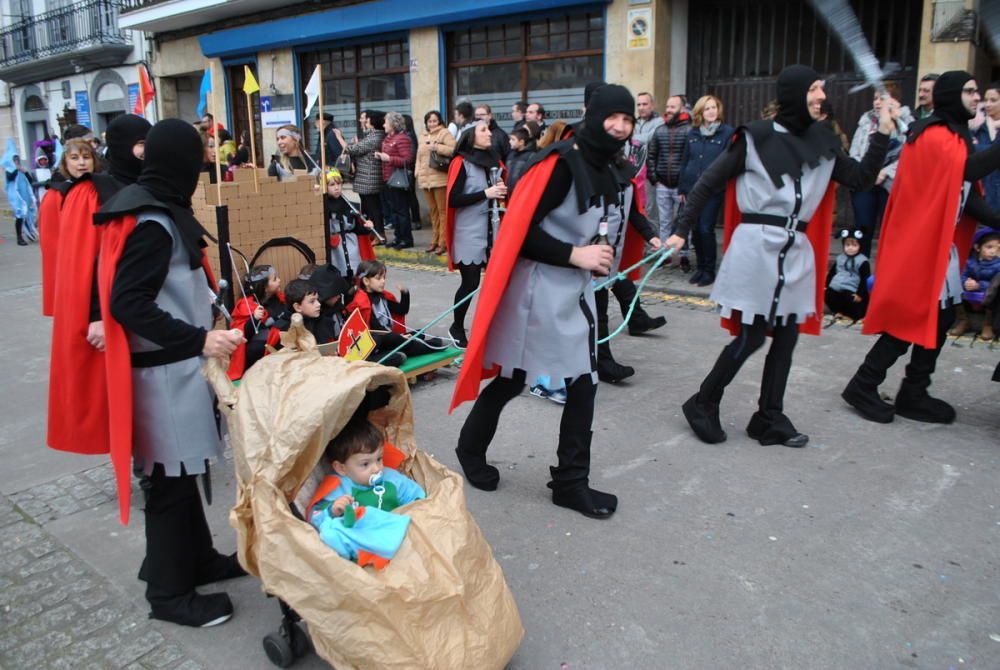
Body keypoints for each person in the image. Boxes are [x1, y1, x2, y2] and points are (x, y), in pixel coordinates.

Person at [673, 64, 897, 448]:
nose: (822, 96)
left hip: (796, 250)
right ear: (794, 92)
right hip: (756, 247)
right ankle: (703, 402)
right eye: (814, 88)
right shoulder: (754, 138)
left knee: (788, 336)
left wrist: (883, 137)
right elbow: (707, 183)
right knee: (752, 336)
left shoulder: (824, 141)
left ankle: (769, 417)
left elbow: (860, 179)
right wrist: (679, 231)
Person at [449, 85, 642, 520]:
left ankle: (568, 481)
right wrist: (578, 254)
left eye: (627, 120)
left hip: (570, 289)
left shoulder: (602, 164)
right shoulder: (559, 164)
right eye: (613, 117)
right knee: (517, 379)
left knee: (580, 382)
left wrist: (596, 251)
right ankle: (477, 451)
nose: (620, 126)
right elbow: (522, 234)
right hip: (537, 290)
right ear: (590, 114)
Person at [96, 118, 247, 627]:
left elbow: (173, 284)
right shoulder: (153, 223)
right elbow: (129, 303)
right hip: (160, 379)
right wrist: (198, 338)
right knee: (167, 486)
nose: (204, 164)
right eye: (199, 155)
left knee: (186, 477)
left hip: (177, 372)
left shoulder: (160, 211)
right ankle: (167, 594)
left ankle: (198, 559)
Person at [843, 71, 1000, 424]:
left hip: (936, 242)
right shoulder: (935, 134)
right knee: (911, 315)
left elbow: (962, 193)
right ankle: (863, 384)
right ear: (951, 95)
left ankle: (914, 391)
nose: (976, 98)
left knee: (941, 315)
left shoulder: (954, 134)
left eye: (978, 92)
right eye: (970, 91)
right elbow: (969, 172)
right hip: (920, 242)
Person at [47, 116, 151, 458]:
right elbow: (86, 262)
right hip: (110, 311)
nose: (145, 152)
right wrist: (96, 315)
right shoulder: (89, 193)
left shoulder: (150, 186)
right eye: (140, 144)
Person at [307, 419, 425, 567]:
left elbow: (416, 497)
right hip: (363, 536)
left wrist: (411, 514)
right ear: (342, 469)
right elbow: (314, 517)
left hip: (391, 530)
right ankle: (356, 557)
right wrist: (332, 510)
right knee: (330, 532)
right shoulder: (337, 487)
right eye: (365, 464)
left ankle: (382, 550)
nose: (376, 468)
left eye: (379, 459)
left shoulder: (391, 479)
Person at [445, 121, 506, 347]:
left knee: (495, 284)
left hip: (493, 231)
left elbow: (496, 192)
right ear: (471, 136)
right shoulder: (461, 163)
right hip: (469, 231)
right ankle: (456, 327)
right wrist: (486, 193)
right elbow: (453, 199)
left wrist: (500, 189)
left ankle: (491, 330)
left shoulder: (494, 160)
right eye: (483, 130)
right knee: (470, 283)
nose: (489, 133)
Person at [848, 82, 914, 257]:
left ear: (894, 101)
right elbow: (856, 149)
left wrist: (885, 172)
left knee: (890, 228)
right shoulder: (866, 120)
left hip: (890, 183)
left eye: (882, 98)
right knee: (863, 227)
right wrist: (861, 171)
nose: (877, 102)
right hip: (866, 181)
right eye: (875, 98)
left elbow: (909, 154)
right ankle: (860, 270)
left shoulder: (906, 122)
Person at [678, 94, 734, 286]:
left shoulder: (727, 133)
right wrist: (682, 188)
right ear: (700, 112)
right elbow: (686, 161)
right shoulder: (693, 133)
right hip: (692, 189)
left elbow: (729, 162)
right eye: (707, 108)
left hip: (713, 190)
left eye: (714, 107)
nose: (711, 111)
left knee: (705, 228)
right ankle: (700, 268)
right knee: (694, 229)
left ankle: (709, 270)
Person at [346, 259, 446, 362]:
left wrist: (405, 294)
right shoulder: (362, 303)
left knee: (418, 332)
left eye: (384, 277)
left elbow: (401, 310)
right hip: (376, 342)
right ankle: (431, 346)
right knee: (396, 339)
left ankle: (410, 342)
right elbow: (377, 330)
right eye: (378, 278)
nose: (383, 281)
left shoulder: (382, 296)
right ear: (366, 281)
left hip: (388, 336)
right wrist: (400, 337)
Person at [647, 95, 692, 270]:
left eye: (673, 107)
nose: (669, 110)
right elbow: (651, 157)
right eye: (668, 106)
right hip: (663, 185)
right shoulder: (660, 131)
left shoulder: (689, 130)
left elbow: (691, 159)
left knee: (683, 222)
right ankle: (663, 257)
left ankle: (684, 256)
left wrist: (686, 185)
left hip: (681, 187)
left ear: (681, 109)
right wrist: (655, 179)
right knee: (664, 222)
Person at [333, 110, 386, 239]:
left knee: (373, 209)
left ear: (372, 122)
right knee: (368, 207)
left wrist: (339, 137)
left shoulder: (375, 137)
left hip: (369, 178)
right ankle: (372, 233)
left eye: (366, 119)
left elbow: (352, 149)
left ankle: (378, 233)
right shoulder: (370, 136)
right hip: (364, 178)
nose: (364, 122)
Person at [227, 264, 285, 380]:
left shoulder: (279, 299)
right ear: (264, 286)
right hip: (258, 347)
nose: (279, 280)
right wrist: (254, 319)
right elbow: (243, 335)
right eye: (274, 279)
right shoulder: (247, 306)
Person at [415, 110, 455, 255]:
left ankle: (443, 242)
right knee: (433, 212)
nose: (432, 124)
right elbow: (419, 156)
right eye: (429, 121)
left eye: (434, 121)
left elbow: (453, 150)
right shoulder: (423, 135)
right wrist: (417, 172)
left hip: (440, 179)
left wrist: (437, 147)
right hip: (426, 180)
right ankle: (434, 239)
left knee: (442, 212)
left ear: (439, 121)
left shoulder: (444, 133)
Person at [324, 169, 376, 278]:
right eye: (332, 185)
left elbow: (357, 229)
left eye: (339, 184)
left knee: (354, 277)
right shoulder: (323, 206)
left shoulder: (350, 205)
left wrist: (367, 227)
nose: (336, 187)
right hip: (335, 249)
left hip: (351, 247)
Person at [375, 112, 415, 249]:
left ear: (393, 124)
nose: (383, 124)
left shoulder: (402, 138)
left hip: (398, 180)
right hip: (388, 179)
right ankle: (398, 237)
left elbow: (407, 159)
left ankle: (406, 239)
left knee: (401, 211)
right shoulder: (388, 138)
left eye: (386, 122)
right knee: (394, 211)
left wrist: (389, 159)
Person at [950, 230, 1000, 339]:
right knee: (956, 291)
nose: (993, 252)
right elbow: (963, 275)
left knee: (995, 297)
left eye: (997, 248)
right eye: (989, 247)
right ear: (977, 247)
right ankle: (963, 320)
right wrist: (966, 282)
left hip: (988, 295)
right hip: (971, 294)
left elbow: (996, 283)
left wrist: (980, 285)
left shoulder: (998, 265)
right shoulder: (970, 262)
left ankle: (987, 325)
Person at [825, 228, 872, 322]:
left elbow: (865, 278)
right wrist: (826, 285)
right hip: (837, 285)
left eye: (854, 245)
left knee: (851, 300)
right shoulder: (840, 258)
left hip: (852, 288)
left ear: (860, 246)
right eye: (847, 245)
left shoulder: (862, 261)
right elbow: (832, 273)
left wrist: (860, 294)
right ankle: (838, 311)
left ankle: (851, 315)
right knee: (829, 294)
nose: (850, 248)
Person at [633, 91, 665, 221]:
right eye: (639, 104)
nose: (641, 107)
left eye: (645, 104)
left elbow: (650, 138)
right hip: (634, 171)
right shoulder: (633, 122)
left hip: (649, 173)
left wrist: (632, 137)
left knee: (650, 210)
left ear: (653, 105)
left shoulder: (660, 122)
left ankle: (652, 240)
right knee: (635, 208)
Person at [972, 82, 1000, 212]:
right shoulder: (978, 129)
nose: (987, 104)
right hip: (984, 203)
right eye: (986, 100)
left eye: (993, 100)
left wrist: (977, 148)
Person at [505, 126, 536, 194]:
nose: (510, 141)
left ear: (521, 142)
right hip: (508, 193)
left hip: (521, 193)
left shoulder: (531, 156)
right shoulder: (510, 155)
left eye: (513, 139)